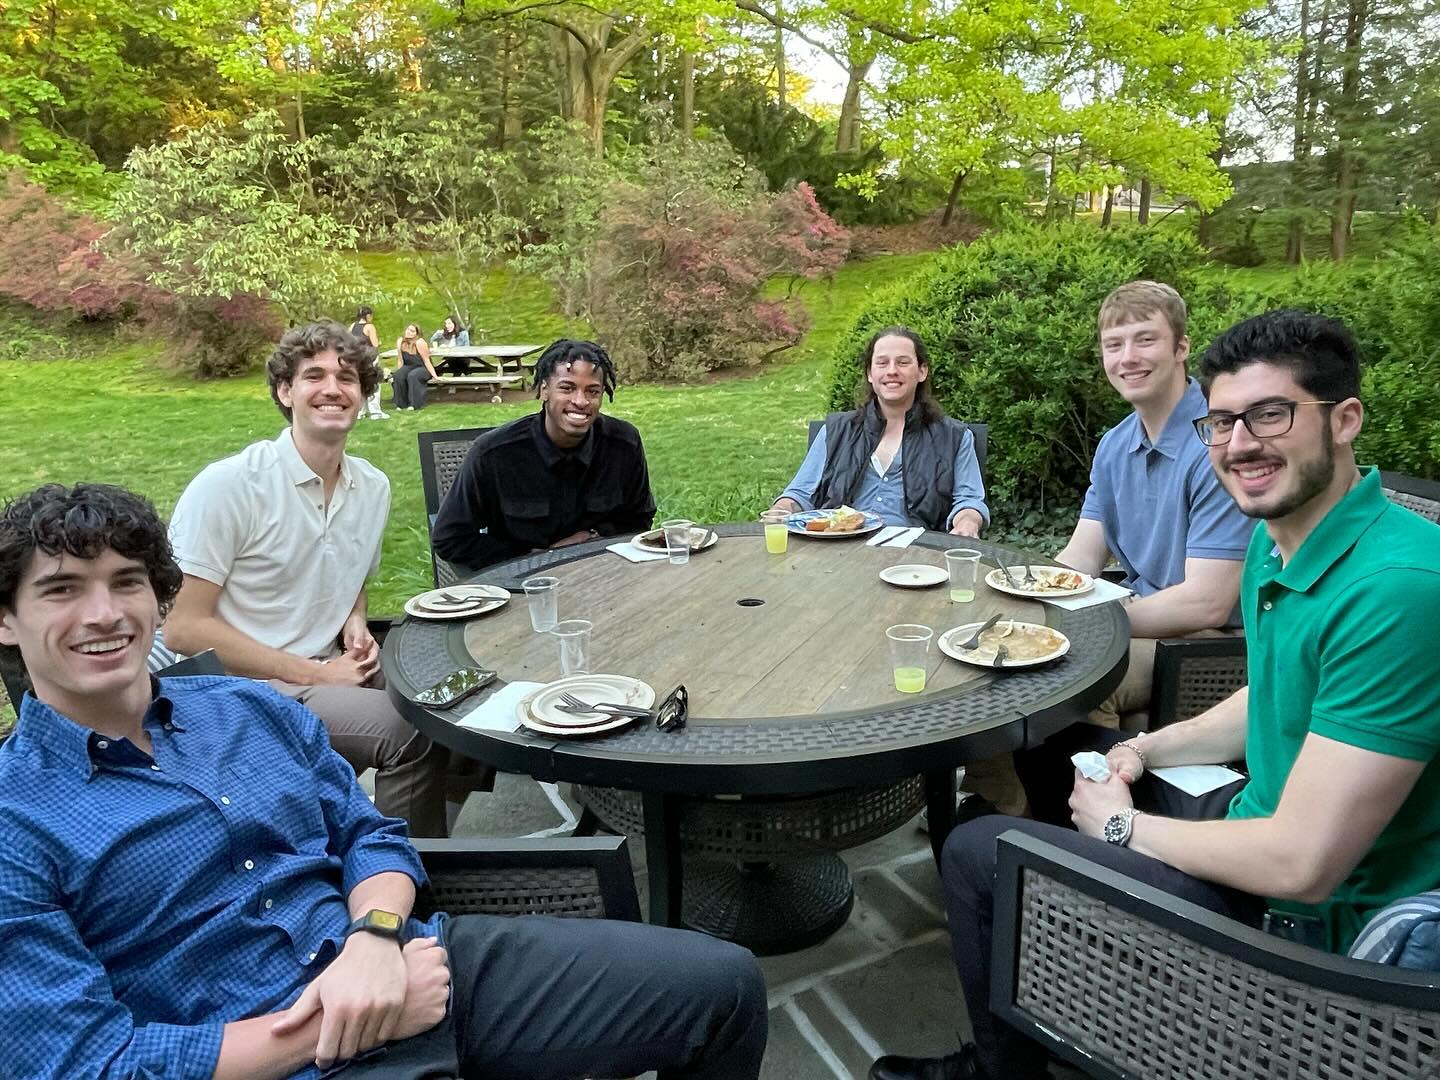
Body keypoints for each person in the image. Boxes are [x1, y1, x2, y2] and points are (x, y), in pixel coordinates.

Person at [0, 482, 769, 1080]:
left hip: (413, 960)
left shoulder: (247, 710)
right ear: (6, 619)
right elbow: (83, 1062)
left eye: (126, 582)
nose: (104, 613)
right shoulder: (16, 819)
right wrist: (350, 1016)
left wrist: (374, 940)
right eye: (62, 589)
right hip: (267, 1056)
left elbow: (369, 832)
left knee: (725, 986)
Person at [869, 310, 1440, 1080]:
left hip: (1308, 935)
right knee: (1069, 751)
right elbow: (1273, 699)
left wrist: (1119, 831)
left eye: (1272, 415)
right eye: (1224, 422)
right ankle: (1060, 956)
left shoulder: (1398, 590)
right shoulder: (1287, 538)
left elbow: (1302, 864)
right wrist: (1142, 747)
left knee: (978, 851)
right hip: (1259, 821)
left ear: (1344, 421)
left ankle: (1004, 1066)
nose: (1240, 445)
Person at [961, 281, 1256, 818]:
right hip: (1145, 614)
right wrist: (1023, 601)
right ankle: (1001, 796)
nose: (1128, 358)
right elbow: (1080, 557)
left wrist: (1094, 621)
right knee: (999, 650)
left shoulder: (1217, 444)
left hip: (1214, 643)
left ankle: (1079, 822)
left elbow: (1206, 604)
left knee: (1079, 676)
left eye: (1145, 340)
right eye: (1114, 344)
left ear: (1181, 348)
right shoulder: (1116, 443)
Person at [162, 321, 449, 837]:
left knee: (453, 701)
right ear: (284, 391)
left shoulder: (372, 486)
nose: (332, 388)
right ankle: (410, 885)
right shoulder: (230, 486)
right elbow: (183, 629)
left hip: (329, 663)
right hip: (240, 689)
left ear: (363, 395)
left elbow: (350, 570)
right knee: (414, 732)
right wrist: (316, 674)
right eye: (313, 375)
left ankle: (355, 830)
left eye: (348, 376)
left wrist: (354, 619)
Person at [432, 339, 656, 572]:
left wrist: (592, 536)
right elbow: (450, 538)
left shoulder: (623, 444)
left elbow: (639, 518)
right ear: (543, 390)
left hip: (604, 573)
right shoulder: (493, 454)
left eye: (592, 391)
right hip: (523, 583)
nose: (581, 401)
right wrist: (533, 557)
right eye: (567, 388)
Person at [771, 326, 988, 536]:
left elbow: (969, 500)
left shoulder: (954, 437)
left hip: (915, 558)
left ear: (922, 371)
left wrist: (968, 523)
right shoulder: (835, 431)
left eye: (903, 362)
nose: (892, 371)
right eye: (882, 363)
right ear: (870, 374)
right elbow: (799, 494)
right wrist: (781, 510)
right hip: (837, 552)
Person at [350, 305, 388, 420]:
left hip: (357, 358)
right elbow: (375, 344)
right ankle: (375, 412)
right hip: (370, 357)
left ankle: (360, 411)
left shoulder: (353, 326)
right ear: (368, 316)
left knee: (360, 383)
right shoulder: (369, 327)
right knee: (374, 382)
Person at [392, 323, 439, 412]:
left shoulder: (420, 343)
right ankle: (401, 404)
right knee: (398, 375)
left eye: (412, 331)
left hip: (422, 367)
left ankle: (414, 404)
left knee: (413, 375)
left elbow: (427, 361)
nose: (409, 332)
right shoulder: (400, 341)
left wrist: (435, 376)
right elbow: (400, 360)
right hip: (408, 366)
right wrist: (399, 371)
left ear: (416, 334)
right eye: (408, 329)